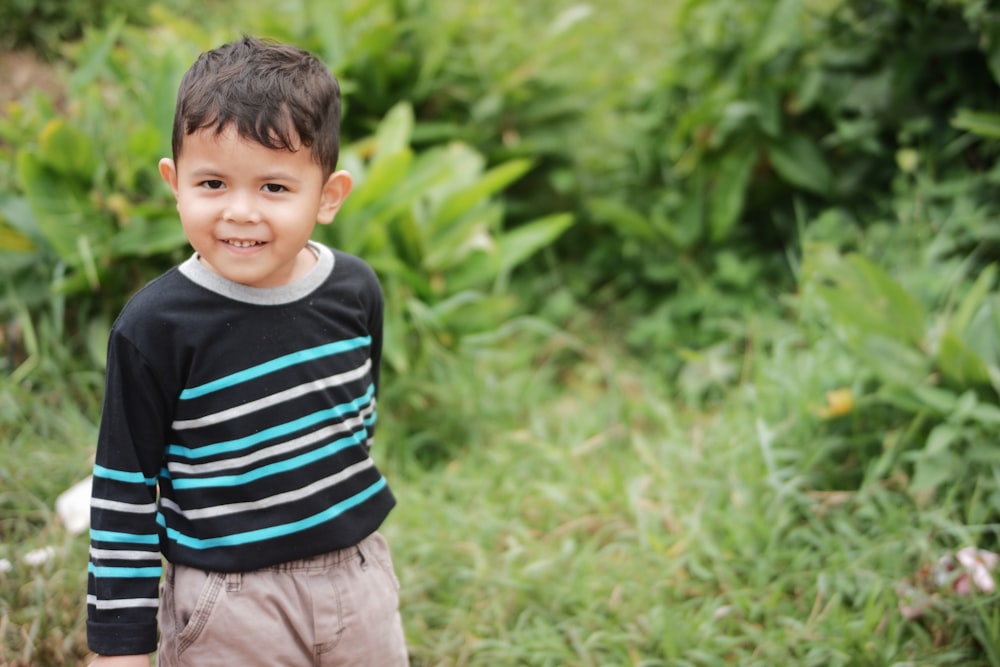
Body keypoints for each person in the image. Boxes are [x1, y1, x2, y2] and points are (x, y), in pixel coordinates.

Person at [86, 36, 408, 666]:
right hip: (229, 603)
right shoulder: (155, 325)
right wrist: (119, 647)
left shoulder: (354, 290)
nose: (240, 212)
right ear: (173, 183)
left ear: (329, 195)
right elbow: (125, 489)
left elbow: (357, 417)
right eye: (212, 182)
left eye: (274, 188)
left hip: (358, 578)